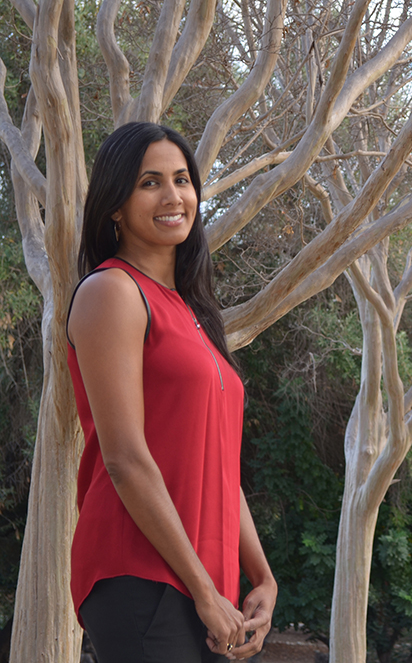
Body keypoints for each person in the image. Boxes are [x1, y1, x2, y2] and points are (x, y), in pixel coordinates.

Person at [67, 122, 277, 662]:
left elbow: (219, 469)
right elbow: (125, 459)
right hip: (141, 572)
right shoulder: (111, 291)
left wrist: (262, 576)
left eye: (182, 179)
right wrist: (204, 591)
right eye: (149, 183)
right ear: (115, 204)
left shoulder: (192, 312)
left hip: (206, 581)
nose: (173, 196)